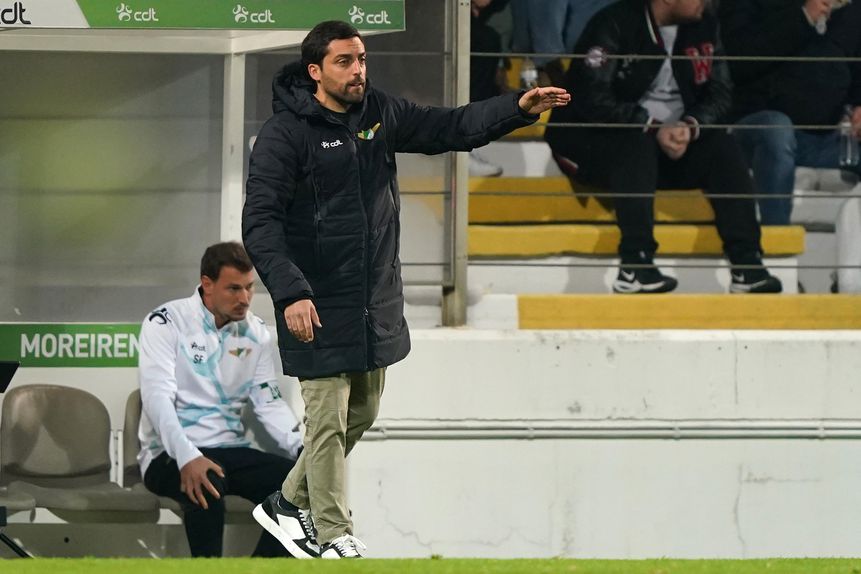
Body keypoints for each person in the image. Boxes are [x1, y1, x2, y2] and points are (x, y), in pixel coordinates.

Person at [242, 20, 569, 559]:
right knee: (325, 420)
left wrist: (518, 108)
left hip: (374, 303)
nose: (358, 70)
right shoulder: (286, 134)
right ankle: (333, 531)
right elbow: (260, 223)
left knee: (361, 415)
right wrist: (292, 291)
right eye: (344, 62)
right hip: (315, 303)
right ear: (315, 71)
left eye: (362, 59)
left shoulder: (380, 114)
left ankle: (285, 501)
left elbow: (453, 127)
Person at [544, 0, 783, 294]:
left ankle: (747, 265)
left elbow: (721, 93)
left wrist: (689, 127)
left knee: (723, 147)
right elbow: (591, 99)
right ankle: (636, 265)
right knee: (636, 140)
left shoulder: (705, 25)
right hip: (594, 144)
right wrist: (654, 127)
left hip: (665, 146)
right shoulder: (613, 23)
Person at [137, 241, 303, 558]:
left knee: (302, 488)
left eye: (250, 288)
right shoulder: (165, 322)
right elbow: (157, 399)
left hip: (229, 449)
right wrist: (187, 456)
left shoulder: (257, 332)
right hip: (168, 455)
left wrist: (303, 449)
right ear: (207, 284)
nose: (244, 299)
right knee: (205, 483)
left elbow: (268, 402)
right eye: (233, 289)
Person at [719, 0, 861, 225]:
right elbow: (736, 60)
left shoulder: (851, 11)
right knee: (777, 129)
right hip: (758, 131)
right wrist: (803, 17)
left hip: (827, 139)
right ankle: (776, 237)